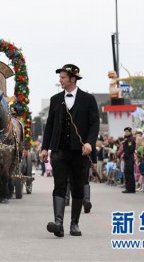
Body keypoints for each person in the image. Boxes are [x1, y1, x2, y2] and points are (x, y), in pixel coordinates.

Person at [40, 64, 99, 238]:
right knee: (59, 186)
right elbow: (50, 125)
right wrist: (45, 148)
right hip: (59, 151)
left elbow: (94, 124)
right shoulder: (55, 99)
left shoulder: (88, 99)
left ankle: (74, 223)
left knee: (78, 187)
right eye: (60, 77)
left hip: (79, 152)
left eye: (63, 77)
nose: (60, 80)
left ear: (73, 79)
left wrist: (89, 143)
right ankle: (58, 223)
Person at [121, 127, 136, 193]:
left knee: (128, 173)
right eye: (125, 132)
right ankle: (130, 188)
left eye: (127, 131)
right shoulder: (128, 139)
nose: (126, 133)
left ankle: (129, 188)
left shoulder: (130, 139)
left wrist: (124, 154)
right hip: (128, 158)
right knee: (128, 173)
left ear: (130, 132)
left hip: (129, 158)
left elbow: (130, 149)